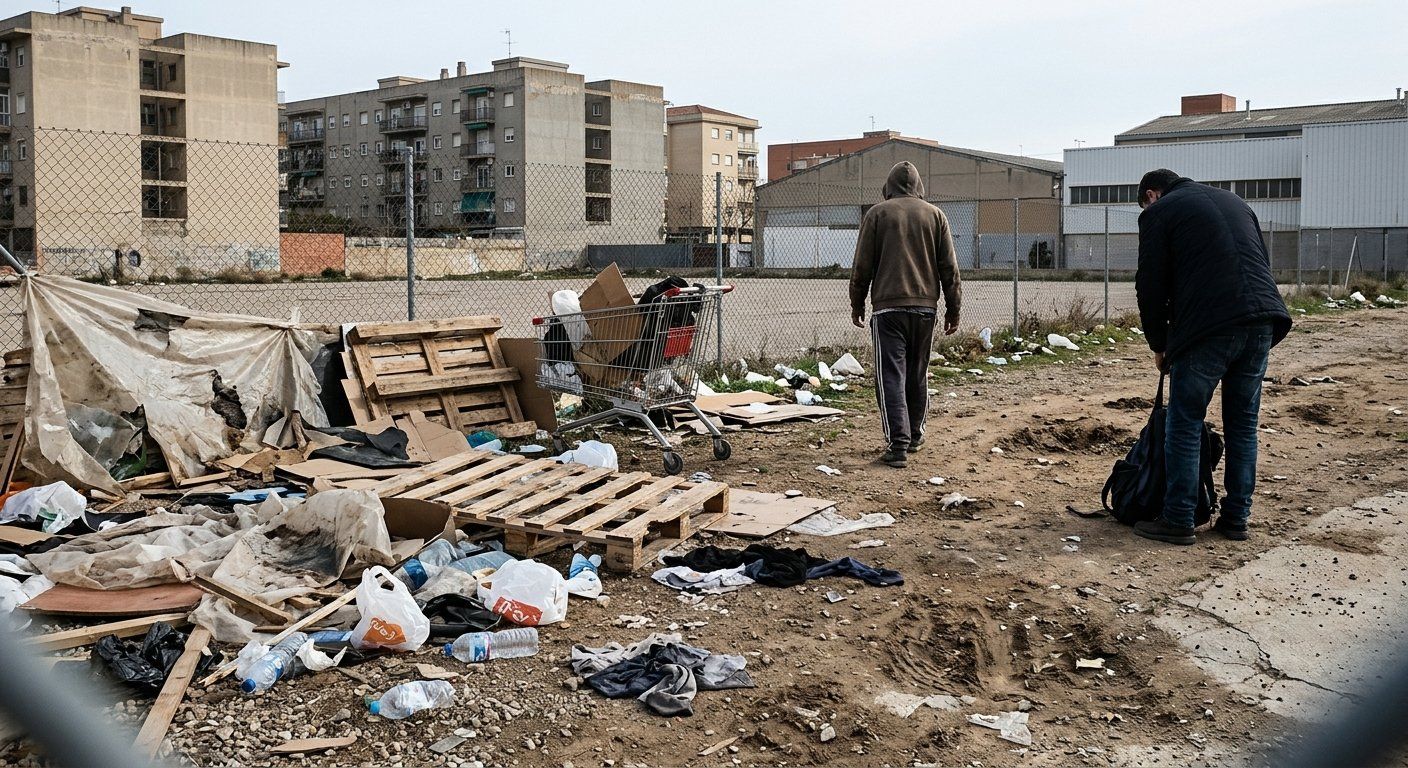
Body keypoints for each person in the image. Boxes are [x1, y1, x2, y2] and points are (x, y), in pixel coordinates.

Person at [1132, 169, 1292, 545]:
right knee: (1242, 424)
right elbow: (1256, 265)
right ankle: (1237, 519)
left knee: (1185, 421)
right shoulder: (1237, 202)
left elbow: (1150, 285)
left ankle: (1179, 518)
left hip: (1209, 327)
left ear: (1152, 194)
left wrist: (1159, 346)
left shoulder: (1158, 212)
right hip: (1262, 322)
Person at [849, 161, 962, 468]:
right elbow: (949, 268)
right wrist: (954, 308)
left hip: (888, 309)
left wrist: (856, 302)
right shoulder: (936, 215)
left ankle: (897, 444)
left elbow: (863, 266)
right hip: (926, 309)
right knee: (917, 373)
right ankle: (914, 435)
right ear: (918, 186)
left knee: (891, 376)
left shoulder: (878, 214)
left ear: (888, 186)